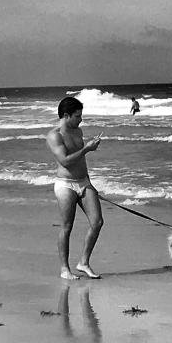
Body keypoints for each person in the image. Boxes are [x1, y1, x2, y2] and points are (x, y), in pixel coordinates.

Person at [46, 96, 104, 280]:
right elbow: (64, 160)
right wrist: (87, 149)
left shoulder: (78, 131)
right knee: (67, 226)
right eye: (77, 116)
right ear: (66, 115)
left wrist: (90, 184)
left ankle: (84, 262)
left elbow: (81, 161)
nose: (81, 119)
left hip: (84, 182)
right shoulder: (54, 135)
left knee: (97, 222)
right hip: (65, 185)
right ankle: (65, 269)